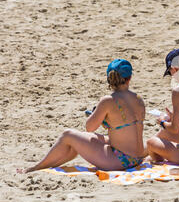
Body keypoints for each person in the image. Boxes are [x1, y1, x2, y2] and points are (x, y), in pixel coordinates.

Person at [18, 59, 146, 173]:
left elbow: (89, 127)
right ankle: (47, 164)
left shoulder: (108, 100)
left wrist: (98, 115)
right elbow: (125, 127)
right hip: (138, 157)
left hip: (122, 161)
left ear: (109, 79)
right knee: (91, 138)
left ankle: (35, 168)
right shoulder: (139, 99)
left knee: (68, 135)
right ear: (129, 78)